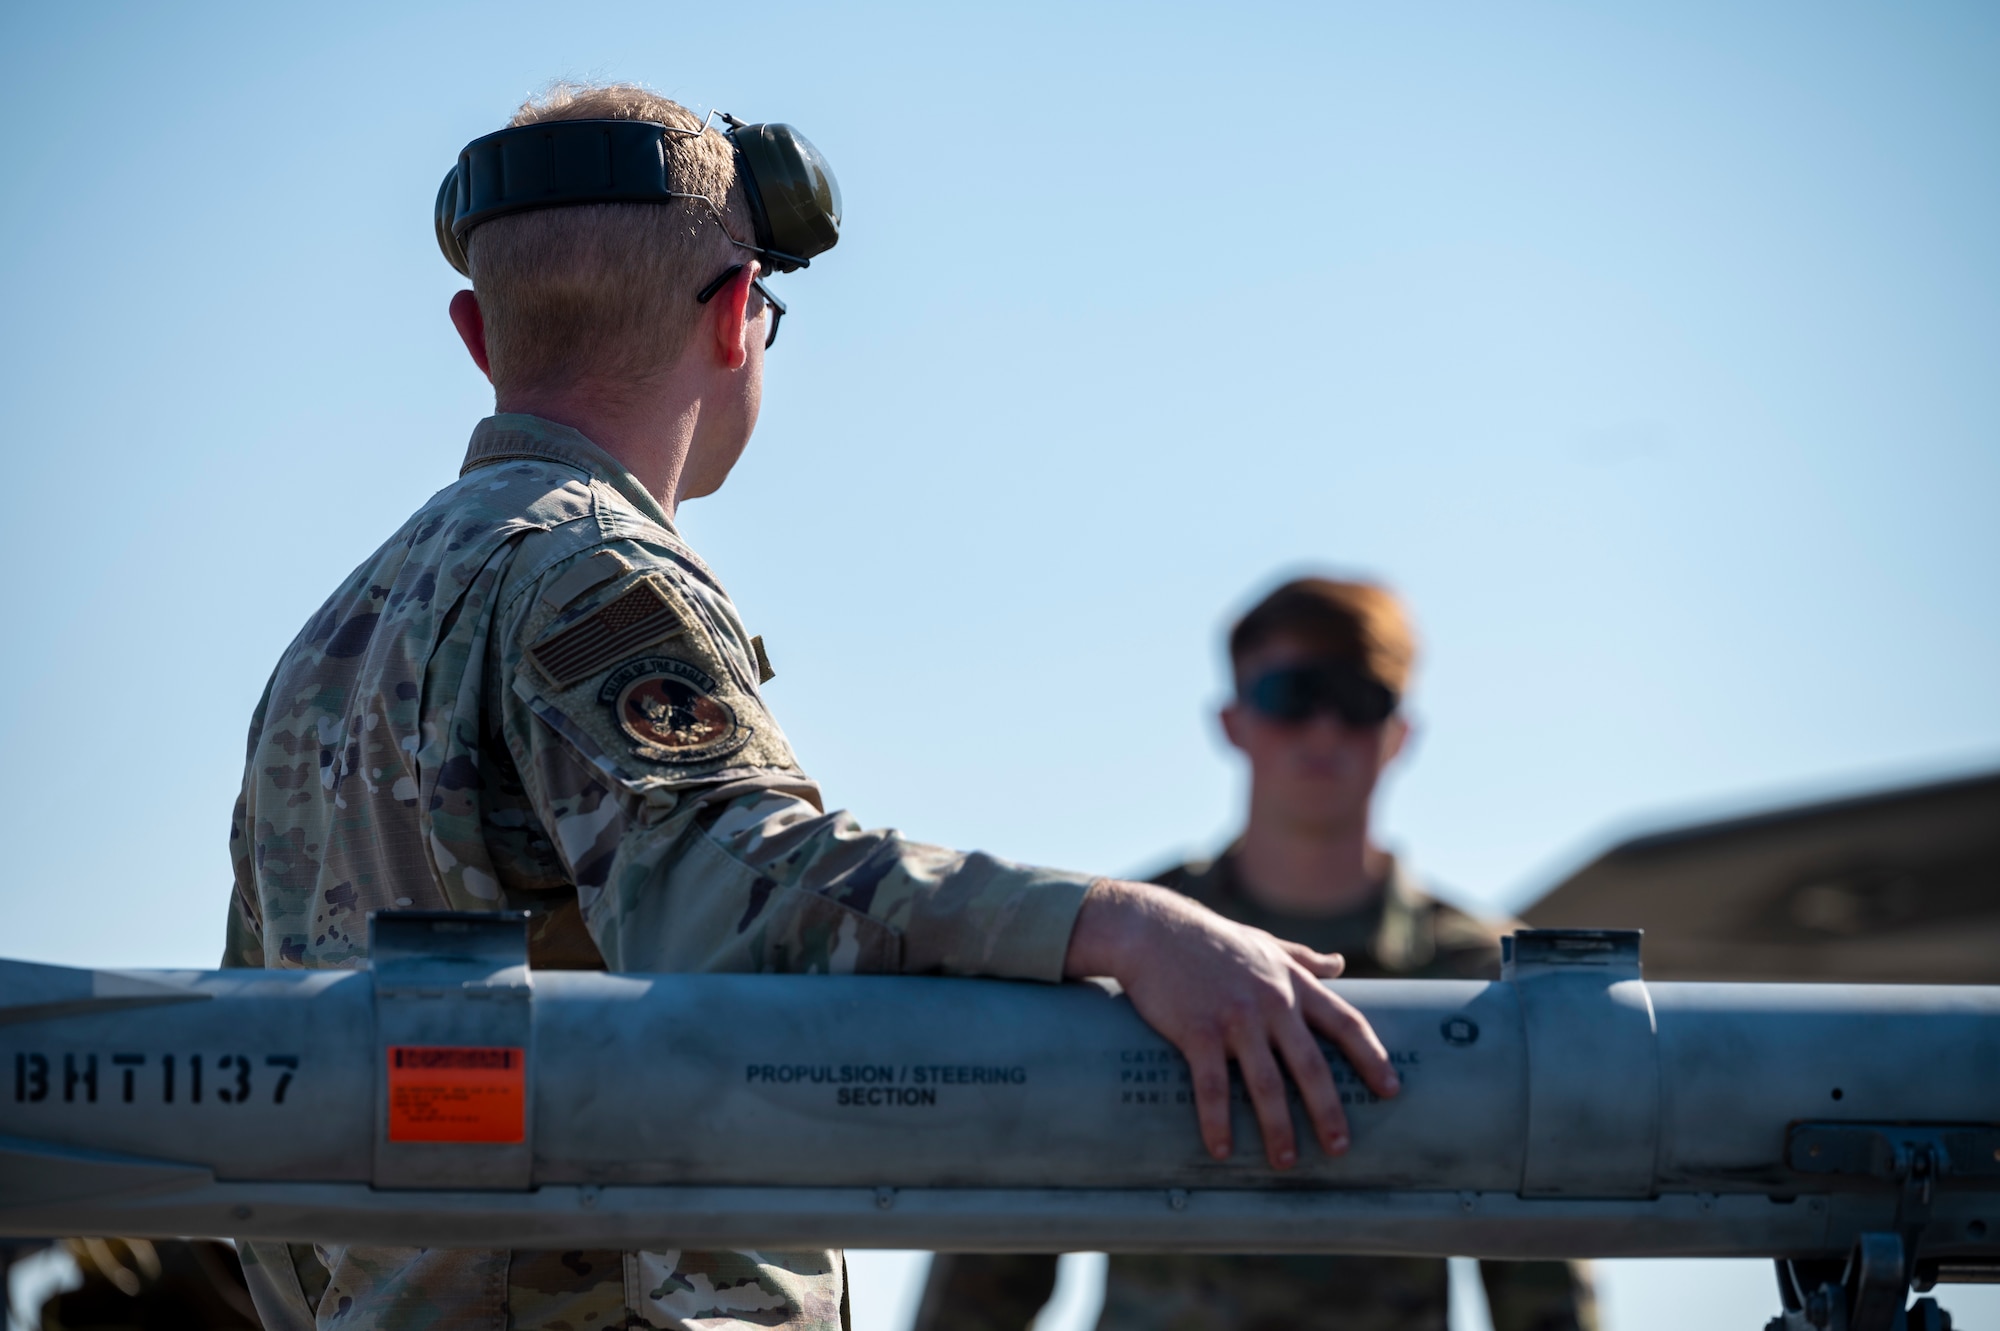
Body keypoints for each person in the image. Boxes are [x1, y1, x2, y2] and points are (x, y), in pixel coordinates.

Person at [220, 84, 1400, 1331]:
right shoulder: (592, 572)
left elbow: (248, 1078)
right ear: (737, 317)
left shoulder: (333, 638)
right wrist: (1118, 929)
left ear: (475, 331)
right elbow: (737, 891)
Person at [915, 577, 1597, 1331]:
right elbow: (993, 1261)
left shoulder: (1481, 977)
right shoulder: (1127, 948)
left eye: (1359, 697)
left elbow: (1543, 1281)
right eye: (1292, 694)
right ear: (1233, 720)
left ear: (1400, 731)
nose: (1325, 728)